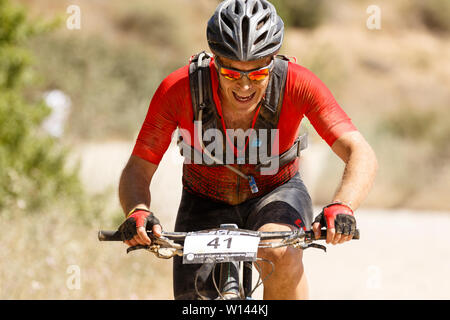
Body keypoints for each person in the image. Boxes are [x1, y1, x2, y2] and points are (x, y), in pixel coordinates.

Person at [117, 0, 377, 300]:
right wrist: (138, 211)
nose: (243, 86)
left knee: (278, 251)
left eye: (256, 74)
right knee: (196, 302)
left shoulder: (297, 82)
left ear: (274, 60)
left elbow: (360, 151)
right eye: (231, 73)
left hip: (276, 193)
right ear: (215, 61)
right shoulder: (179, 89)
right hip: (204, 199)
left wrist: (342, 206)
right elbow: (139, 165)